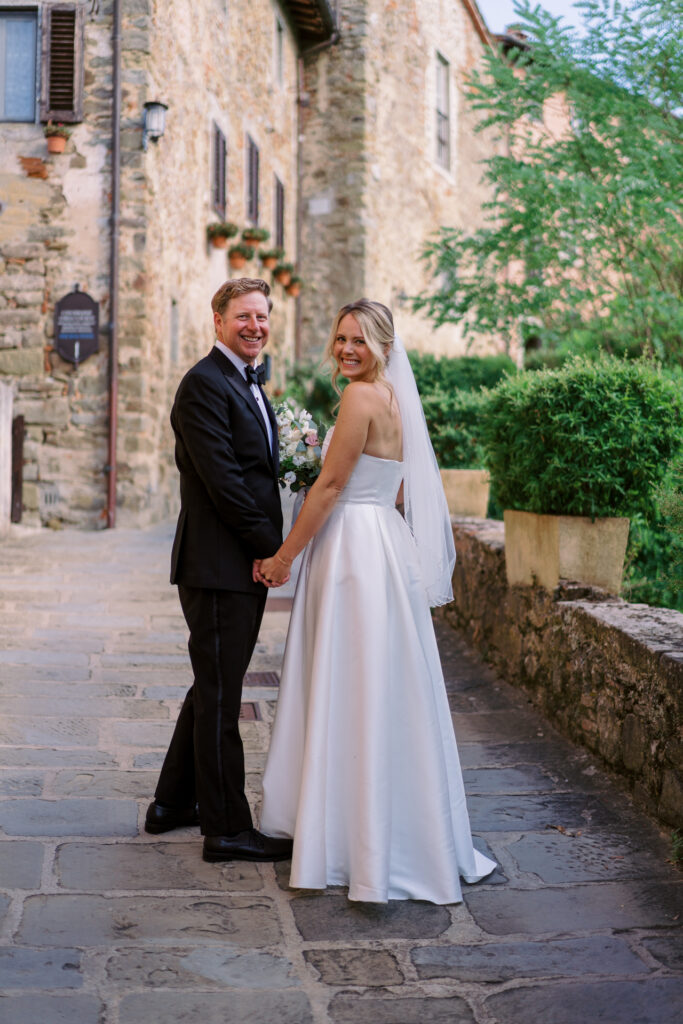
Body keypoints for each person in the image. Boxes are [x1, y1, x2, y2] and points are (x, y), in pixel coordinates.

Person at [255, 299, 496, 903]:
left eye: (359, 340)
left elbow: (332, 486)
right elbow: (398, 487)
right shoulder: (391, 398)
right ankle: (388, 834)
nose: (347, 350)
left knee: (347, 683)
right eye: (340, 338)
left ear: (384, 344)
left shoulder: (360, 398)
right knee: (382, 688)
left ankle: (344, 841)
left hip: (353, 554)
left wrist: (285, 556)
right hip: (384, 549)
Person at [144, 278, 293, 864]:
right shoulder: (203, 385)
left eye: (262, 316)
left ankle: (173, 803)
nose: (254, 326)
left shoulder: (246, 380)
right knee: (222, 691)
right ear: (217, 320)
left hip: (236, 565)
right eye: (243, 317)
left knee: (214, 682)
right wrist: (273, 550)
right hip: (217, 565)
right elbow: (224, 482)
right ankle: (227, 827)